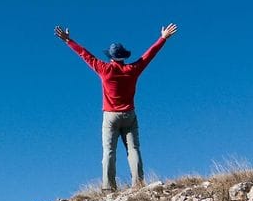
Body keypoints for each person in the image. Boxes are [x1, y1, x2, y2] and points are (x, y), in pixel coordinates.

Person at [54, 23, 178, 192]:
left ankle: (108, 188)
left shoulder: (104, 69)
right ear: (123, 56)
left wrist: (68, 40)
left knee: (109, 151)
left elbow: (85, 54)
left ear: (111, 57)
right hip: (129, 115)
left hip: (110, 116)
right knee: (133, 149)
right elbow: (149, 55)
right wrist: (163, 38)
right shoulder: (132, 69)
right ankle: (138, 183)